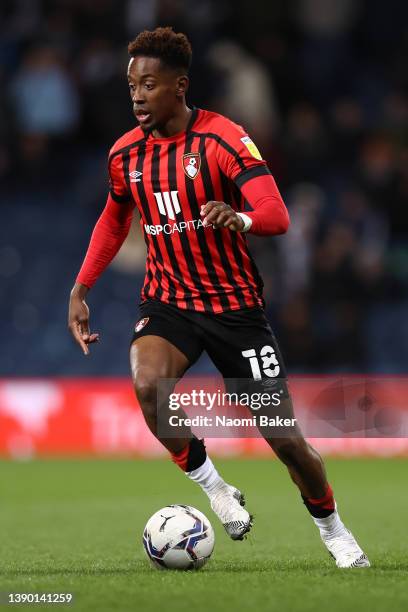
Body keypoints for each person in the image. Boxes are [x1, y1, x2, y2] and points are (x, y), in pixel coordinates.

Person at [68, 27, 369, 568]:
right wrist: (81, 288)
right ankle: (216, 489)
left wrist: (241, 217)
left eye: (148, 84)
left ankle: (333, 529)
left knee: (288, 444)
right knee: (146, 384)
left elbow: (277, 214)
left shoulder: (224, 139)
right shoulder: (125, 155)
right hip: (168, 302)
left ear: (179, 87)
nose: (136, 95)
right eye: (131, 85)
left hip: (236, 311)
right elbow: (114, 220)